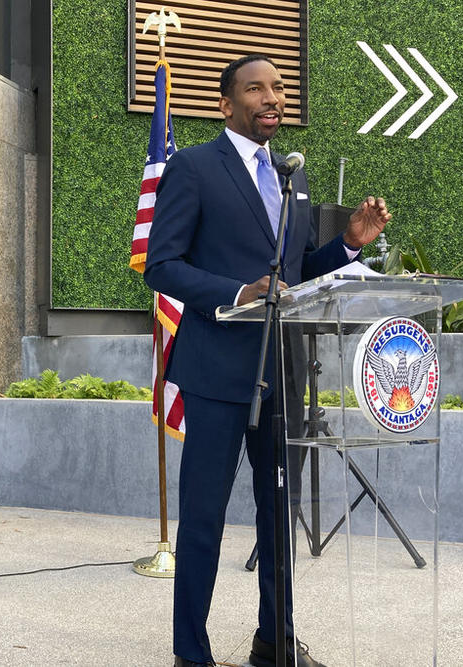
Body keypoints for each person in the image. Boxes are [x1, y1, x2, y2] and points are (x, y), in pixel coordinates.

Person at [143, 54, 390, 667]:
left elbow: (299, 273)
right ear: (227, 104)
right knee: (203, 518)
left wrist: (349, 244)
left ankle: (274, 642)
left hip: (281, 373)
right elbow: (162, 265)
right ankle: (190, 654)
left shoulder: (292, 176)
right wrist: (236, 292)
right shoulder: (193, 167)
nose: (271, 97)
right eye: (255, 88)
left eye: (278, 87)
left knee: (279, 515)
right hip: (218, 373)